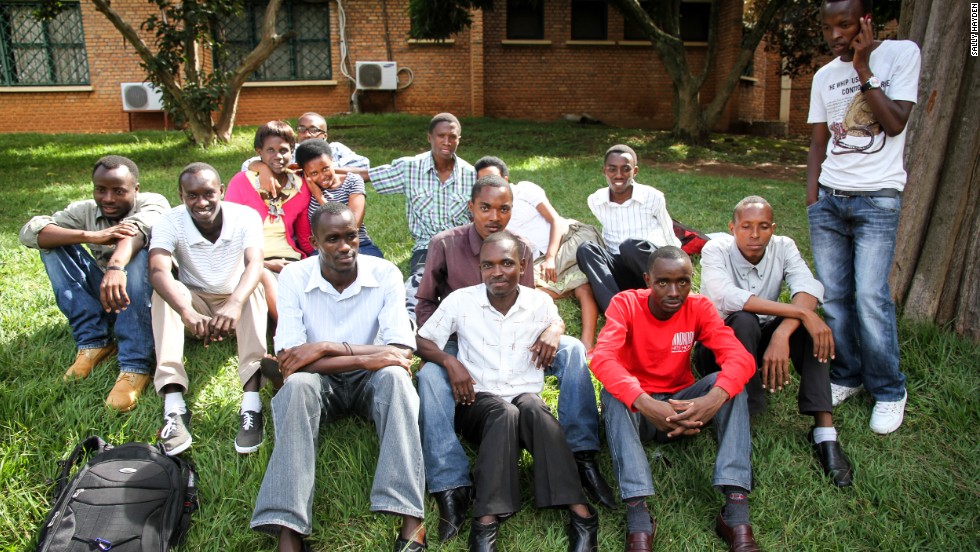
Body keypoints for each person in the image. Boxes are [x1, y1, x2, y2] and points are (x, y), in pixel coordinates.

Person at [416, 174, 614, 543]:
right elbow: (425, 325)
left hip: (521, 384)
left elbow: (542, 309)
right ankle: (479, 511)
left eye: (507, 264)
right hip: (468, 360)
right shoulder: (452, 264)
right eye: (489, 265)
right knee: (495, 408)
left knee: (535, 406)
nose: (498, 272)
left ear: (522, 262)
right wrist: (450, 360)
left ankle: (581, 502)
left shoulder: (531, 289)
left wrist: (555, 328)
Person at [250, 202, 425, 552]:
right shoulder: (294, 278)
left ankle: (411, 519)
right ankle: (289, 528)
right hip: (320, 383)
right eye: (333, 239)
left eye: (351, 236)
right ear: (314, 241)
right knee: (297, 385)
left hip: (371, 380)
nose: (345, 247)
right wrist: (363, 352)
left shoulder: (385, 273)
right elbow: (289, 363)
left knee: (396, 379)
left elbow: (401, 354)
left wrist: (322, 348)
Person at [590, 246, 758, 552]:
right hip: (640, 413)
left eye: (682, 281)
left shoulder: (699, 307)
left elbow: (740, 358)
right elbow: (602, 359)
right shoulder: (625, 304)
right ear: (647, 280)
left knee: (730, 383)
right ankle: (638, 513)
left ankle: (735, 508)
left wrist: (713, 399)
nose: (673, 291)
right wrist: (645, 402)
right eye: (663, 282)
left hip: (684, 407)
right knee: (614, 394)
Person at [807, 0, 920, 434]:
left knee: (870, 298)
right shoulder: (821, 77)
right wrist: (813, 201)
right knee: (834, 297)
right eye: (827, 27)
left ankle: (890, 390)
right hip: (830, 202)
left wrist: (862, 67)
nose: (835, 35)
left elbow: (894, 123)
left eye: (845, 24)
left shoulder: (902, 54)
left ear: (867, 21)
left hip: (877, 200)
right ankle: (848, 375)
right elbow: (818, 143)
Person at [698, 196, 853, 487]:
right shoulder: (714, 249)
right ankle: (738, 429)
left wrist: (783, 332)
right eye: (746, 226)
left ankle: (824, 433)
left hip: (759, 338)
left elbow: (808, 287)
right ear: (732, 227)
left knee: (807, 328)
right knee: (744, 319)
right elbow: (727, 297)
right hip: (716, 350)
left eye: (763, 226)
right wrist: (799, 313)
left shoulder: (784, 246)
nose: (754, 235)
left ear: (773, 228)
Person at [19, 155, 170, 411]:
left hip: (148, 298)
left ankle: (134, 365)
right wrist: (90, 235)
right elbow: (31, 231)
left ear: (136, 189)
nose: (108, 198)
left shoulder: (154, 203)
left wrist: (115, 266)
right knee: (52, 246)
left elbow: (135, 231)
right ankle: (93, 342)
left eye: (118, 191)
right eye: (101, 190)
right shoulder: (84, 210)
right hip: (107, 291)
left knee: (139, 255)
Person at [148, 163, 268, 456]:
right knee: (165, 292)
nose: (201, 202)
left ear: (221, 191)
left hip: (234, 298)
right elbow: (158, 269)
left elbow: (255, 263)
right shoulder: (169, 221)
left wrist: (235, 303)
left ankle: (251, 404)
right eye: (192, 195)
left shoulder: (245, 216)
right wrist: (186, 311)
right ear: (180, 195)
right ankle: (174, 406)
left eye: (208, 193)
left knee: (254, 288)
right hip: (196, 301)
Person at [349, 113, 475, 321]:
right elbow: (366, 175)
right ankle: (406, 326)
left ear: (458, 139)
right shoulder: (410, 168)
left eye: (452, 137)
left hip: (460, 246)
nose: (446, 142)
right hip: (427, 247)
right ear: (429, 138)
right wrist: (323, 171)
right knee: (420, 283)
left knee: (463, 289)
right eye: (440, 136)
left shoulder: (471, 175)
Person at [473, 156, 602, 352]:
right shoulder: (487, 212)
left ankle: (587, 344)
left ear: (506, 180)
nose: (489, 186)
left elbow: (556, 221)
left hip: (568, 239)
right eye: (482, 181)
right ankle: (568, 286)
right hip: (537, 258)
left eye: (493, 179)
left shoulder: (525, 190)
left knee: (579, 287)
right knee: (528, 288)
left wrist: (551, 257)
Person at [576, 145, 680, 313]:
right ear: (604, 170)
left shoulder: (653, 197)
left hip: (650, 264)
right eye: (612, 169)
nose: (618, 175)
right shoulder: (595, 200)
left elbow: (668, 231)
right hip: (620, 268)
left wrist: (678, 266)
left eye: (625, 169)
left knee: (630, 246)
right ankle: (617, 311)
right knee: (586, 249)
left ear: (635, 171)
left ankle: (663, 294)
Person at [226, 121, 313, 322]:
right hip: (253, 260)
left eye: (284, 150)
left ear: (292, 151)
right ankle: (287, 337)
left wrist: (314, 262)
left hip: (289, 260)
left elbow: (304, 238)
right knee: (267, 278)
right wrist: (265, 263)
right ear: (259, 152)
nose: (278, 156)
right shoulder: (242, 181)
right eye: (270, 150)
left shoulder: (300, 186)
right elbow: (228, 233)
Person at [294, 139, 384, 258]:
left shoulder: (352, 181)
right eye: (314, 173)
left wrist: (319, 197)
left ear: (332, 160)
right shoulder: (302, 184)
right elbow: (267, 166)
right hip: (324, 250)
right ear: (305, 173)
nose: (322, 177)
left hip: (358, 245)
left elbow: (353, 225)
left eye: (325, 168)